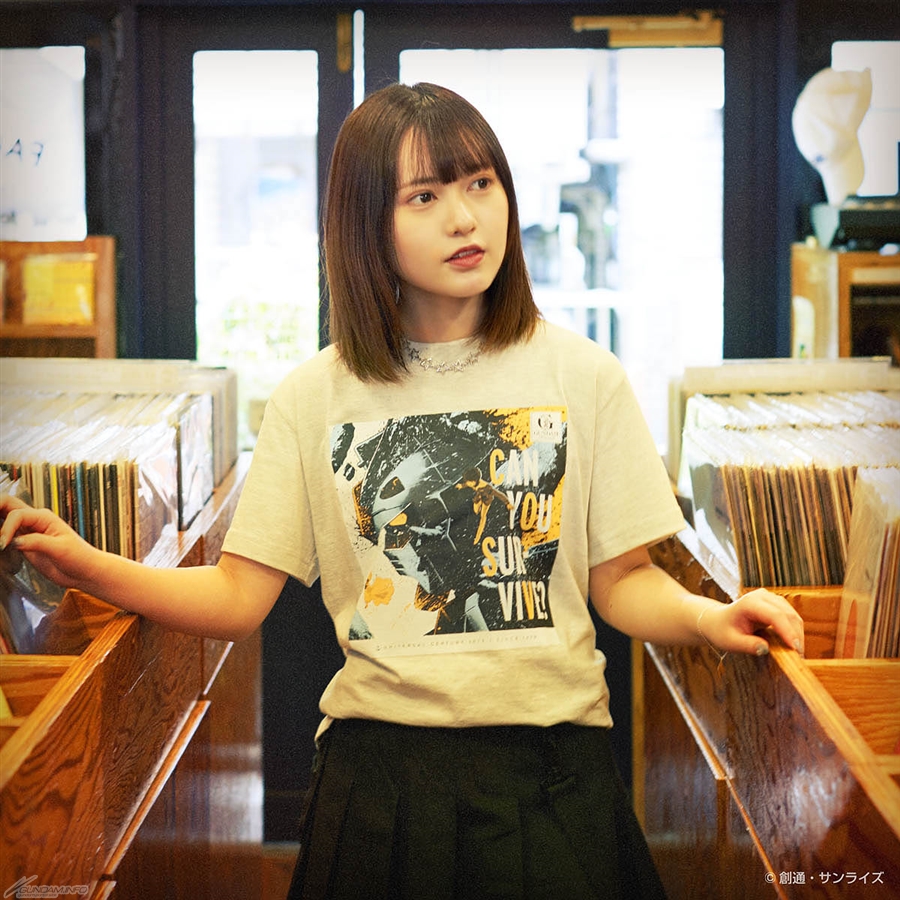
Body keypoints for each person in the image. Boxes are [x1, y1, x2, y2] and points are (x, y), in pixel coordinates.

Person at [0, 83, 805, 900]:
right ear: (366, 225)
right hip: (378, 786)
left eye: (481, 184)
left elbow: (623, 581)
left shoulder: (584, 375)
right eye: (425, 196)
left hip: (553, 778)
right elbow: (238, 596)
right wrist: (85, 564)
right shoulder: (314, 396)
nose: (465, 218)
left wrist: (710, 618)